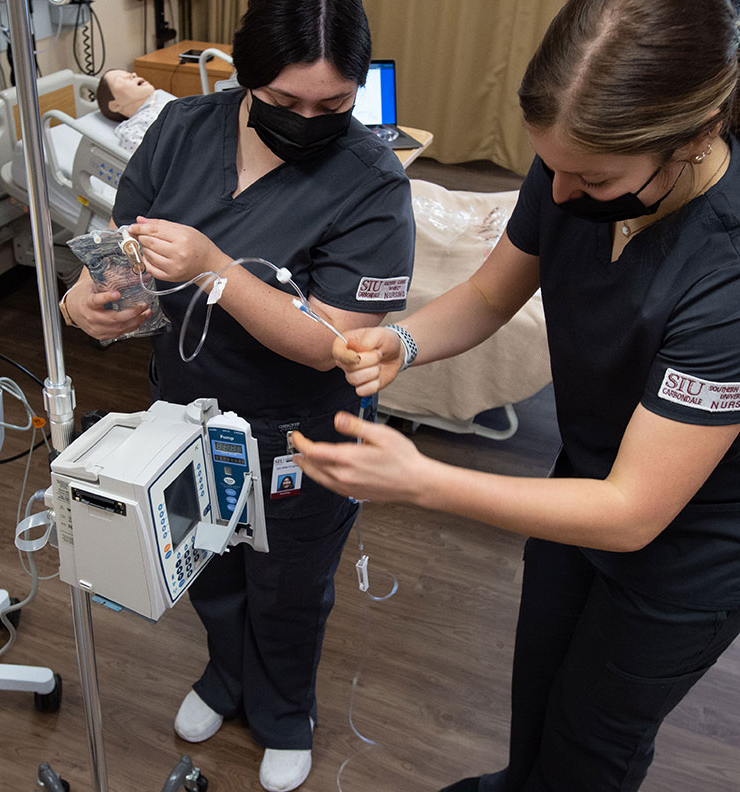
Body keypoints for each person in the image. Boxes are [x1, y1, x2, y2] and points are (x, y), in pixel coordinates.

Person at [291, 1, 740, 790]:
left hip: (692, 544)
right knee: (536, 698)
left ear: (698, 133)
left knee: (592, 743)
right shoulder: (572, 166)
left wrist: (426, 482)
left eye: (593, 179)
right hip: (584, 477)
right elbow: (495, 292)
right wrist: (403, 341)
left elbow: (635, 512)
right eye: (551, 166)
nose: (561, 194)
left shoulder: (725, 271)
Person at [61, 1, 415, 790]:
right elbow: (126, 250)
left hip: (303, 433)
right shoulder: (186, 128)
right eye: (287, 101)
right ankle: (227, 677)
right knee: (208, 564)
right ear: (246, 76)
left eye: (334, 104)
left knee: (287, 586)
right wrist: (88, 298)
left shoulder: (372, 183)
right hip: (186, 412)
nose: (309, 120)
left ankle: (287, 711)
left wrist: (217, 266)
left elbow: (336, 341)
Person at [96, 69, 175, 153]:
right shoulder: (132, 130)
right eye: (120, 80)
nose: (133, 74)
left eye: (130, 73)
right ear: (115, 106)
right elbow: (147, 160)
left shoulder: (165, 102)